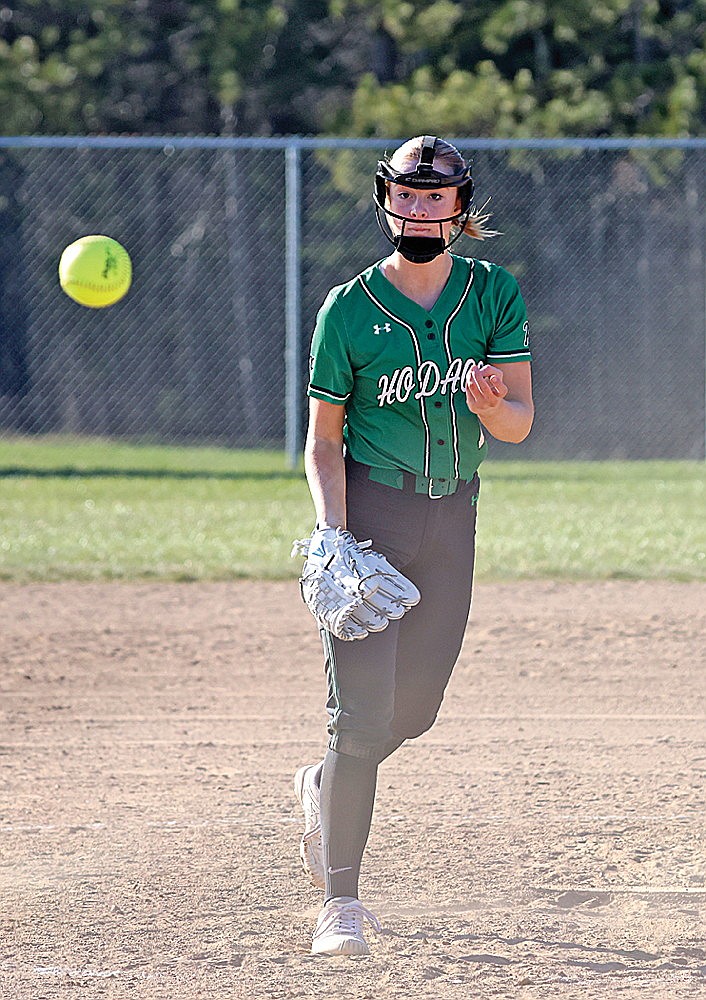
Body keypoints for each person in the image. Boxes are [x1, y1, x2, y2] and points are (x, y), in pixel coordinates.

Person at [293, 135, 534, 956]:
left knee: (416, 712)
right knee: (360, 719)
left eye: (436, 198)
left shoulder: (492, 293)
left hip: (453, 518)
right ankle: (340, 905)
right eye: (407, 194)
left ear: (462, 207)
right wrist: (333, 537)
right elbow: (323, 442)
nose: (420, 209)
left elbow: (518, 423)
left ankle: (326, 788)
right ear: (384, 199)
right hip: (375, 521)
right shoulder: (349, 309)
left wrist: (493, 403)